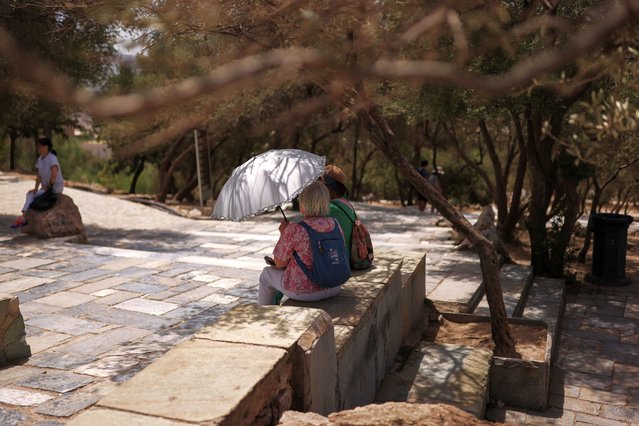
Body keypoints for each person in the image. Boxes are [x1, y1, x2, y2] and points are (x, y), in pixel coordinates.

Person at [258, 181, 345, 305]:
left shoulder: (296, 229)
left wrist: (284, 234)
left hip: (305, 291)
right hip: (334, 286)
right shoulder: (335, 224)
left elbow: (279, 262)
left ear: (303, 204)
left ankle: (263, 314)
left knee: (266, 274)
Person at [10, 137, 64, 229]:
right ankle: (24, 216)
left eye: (39, 146)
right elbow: (39, 176)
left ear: (46, 147)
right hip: (45, 188)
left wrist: (49, 187)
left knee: (30, 196)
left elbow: (54, 174)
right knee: (31, 193)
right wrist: (36, 188)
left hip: (54, 188)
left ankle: (24, 217)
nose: (37, 148)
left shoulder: (52, 158)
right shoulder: (40, 159)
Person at [321, 164, 358, 264]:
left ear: (329, 187)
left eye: (321, 184)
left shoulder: (331, 208)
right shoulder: (346, 203)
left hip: (337, 261)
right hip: (348, 256)